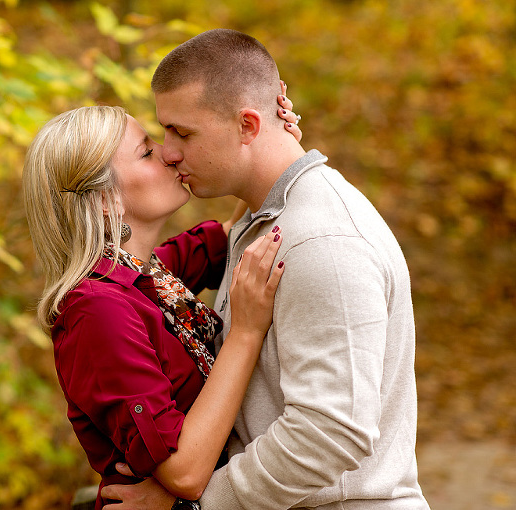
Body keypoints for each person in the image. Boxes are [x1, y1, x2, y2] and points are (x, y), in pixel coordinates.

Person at [100, 29, 430, 509]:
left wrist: (198, 503)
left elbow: (330, 432)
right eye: (164, 132)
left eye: (183, 133)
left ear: (249, 126)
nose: (169, 151)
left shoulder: (324, 241)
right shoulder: (264, 221)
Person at [22, 93, 302, 510]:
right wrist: (245, 332)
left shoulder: (148, 276)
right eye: (148, 152)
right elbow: (184, 472)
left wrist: (267, 145)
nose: (170, 156)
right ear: (105, 200)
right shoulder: (97, 310)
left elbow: (231, 232)